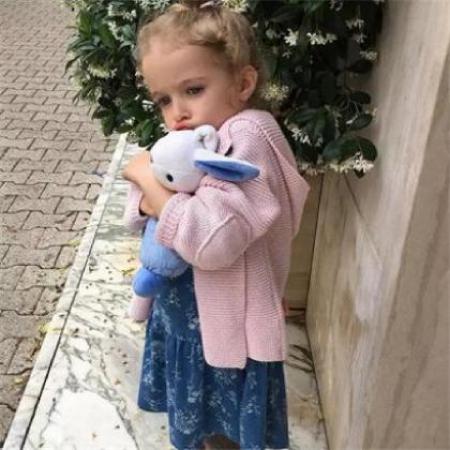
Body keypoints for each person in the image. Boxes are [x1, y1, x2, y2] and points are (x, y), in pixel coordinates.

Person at [122, 0, 311, 449]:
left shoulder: (247, 136)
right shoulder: (192, 136)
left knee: (229, 426)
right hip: (186, 315)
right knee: (203, 420)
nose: (177, 112)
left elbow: (214, 240)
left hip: (225, 329)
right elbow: (139, 212)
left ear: (243, 83)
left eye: (193, 89)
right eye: (164, 99)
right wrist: (148, 196)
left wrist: (150, 185)